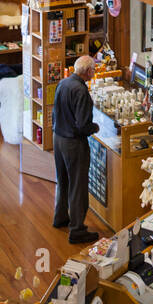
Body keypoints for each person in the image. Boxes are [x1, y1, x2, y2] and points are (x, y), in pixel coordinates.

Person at [52, 55, 100, 244]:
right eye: (93, 70)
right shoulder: (81, 91)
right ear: (88, 72)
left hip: (58, 138)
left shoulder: (63, 83)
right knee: (78, 186)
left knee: (62, 180)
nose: (94, 73)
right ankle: (77, 229)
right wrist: (94, 127)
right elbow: (82, 125)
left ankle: (60, 217)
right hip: (73, 142)